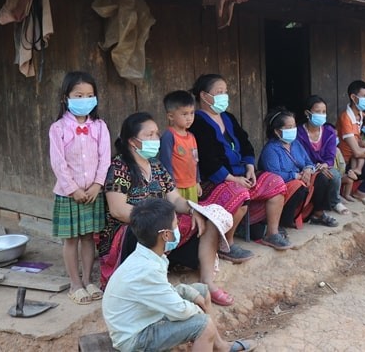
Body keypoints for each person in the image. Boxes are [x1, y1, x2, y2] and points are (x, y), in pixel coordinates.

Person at [99, 112, 236, 307]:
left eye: (156, 134)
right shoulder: (120, 167)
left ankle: (208, 282)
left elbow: (175, 199)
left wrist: (192, 209)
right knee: (153, 229)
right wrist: (156, 219)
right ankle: (153, 287)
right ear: (132, 141)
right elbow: (118, 210)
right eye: (149, 135)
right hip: (132, 231)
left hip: (162, 227)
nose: (156, 139)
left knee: (208, 218)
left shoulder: (157, 166)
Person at [102, 198, 257, 352]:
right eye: (176, 224)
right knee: (203, 325)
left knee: (202, 291)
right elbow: (180, 311)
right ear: (166, 236)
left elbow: (161, 292)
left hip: (141, 320)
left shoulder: (147, 256)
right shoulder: (147, 270)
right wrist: (196, 311)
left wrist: (187, 292)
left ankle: (220, 346)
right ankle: (212, 341)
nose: (179, 228)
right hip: (135, 339)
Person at [190, 74, 293, 253]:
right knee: (239, 193)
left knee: (275, 182)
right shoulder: (197, 122)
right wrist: (232, 179)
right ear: (204, 96)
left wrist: (250, 167)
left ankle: (271, 233)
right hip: (215, 179)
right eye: (219, 92)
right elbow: (207, 160)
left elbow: (245, 143)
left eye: (225, 91)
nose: (224, 95)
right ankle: (226, 245)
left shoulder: (228, 117)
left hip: (241, 174)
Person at [49, 71, 110, 305]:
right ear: (66, 97)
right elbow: (58, 162)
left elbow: (105, 159)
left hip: (93, 193)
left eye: (90, 95)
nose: (85, 99)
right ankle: (75, 283)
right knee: (71, 240)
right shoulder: (58, 128)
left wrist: (97, 185)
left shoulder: (100, 126)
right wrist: (72, 188)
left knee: (88, 238)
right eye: (79, 95)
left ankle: (88, 280)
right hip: (69, 194)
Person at [259, 108, 339, 228]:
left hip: (301, 179)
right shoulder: (271, 150)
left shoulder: (295, 144)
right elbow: (273, 174)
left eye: (294, 126)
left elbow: (308, 161)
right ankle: (283, 221)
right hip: (284, 186)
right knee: (298, 186)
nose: (293, 130)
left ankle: (317, 214)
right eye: (289, 127)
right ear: (277, 131)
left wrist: (308, 169)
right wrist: (295, 176)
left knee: (322, 177)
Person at [295, 95, 350, 215]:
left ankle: (335, 201)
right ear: (307, 113)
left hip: (323, 166)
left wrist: (325, 165)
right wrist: (311, 167)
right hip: (305, 168)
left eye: (324, 112)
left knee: (333, 174)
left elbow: (330, 155)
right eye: (317, 111)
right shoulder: (298, 133)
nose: (321, 114)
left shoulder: (329, 132)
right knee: (320, 177)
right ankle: (317, 210)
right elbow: (298, 154)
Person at [160, 90, 201, 203]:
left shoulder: (191, 136)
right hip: (176, 186)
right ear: (171, 116)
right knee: (179, 216)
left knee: (192, 213)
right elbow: (165, 163)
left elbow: (196, 160)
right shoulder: (169, 136)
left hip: (191, 185)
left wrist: (197, 181)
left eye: (192, 113)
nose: (189, 118)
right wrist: (171, 186)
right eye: (184, 114)